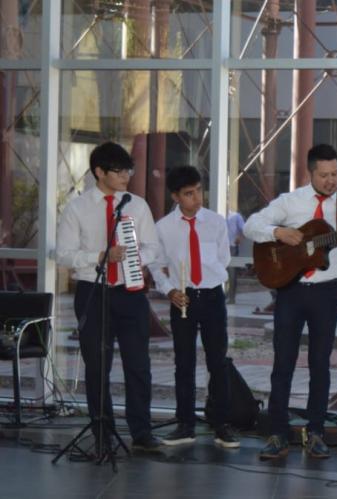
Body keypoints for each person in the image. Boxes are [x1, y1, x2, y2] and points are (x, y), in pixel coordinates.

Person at [243, 144, 337, 461]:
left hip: (327, 292)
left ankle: (315, 433)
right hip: (291, 290)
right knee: (282, 363)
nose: (331, 180)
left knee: (320, 364)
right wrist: (279, 232)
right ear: (310, 173)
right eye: (324, 175)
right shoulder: (291, 201)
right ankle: (277, 434)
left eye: (335, 173)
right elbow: (251, 226)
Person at [55, 141, 164, 453]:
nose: (125, 176)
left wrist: (134, 259)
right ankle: (102, 430)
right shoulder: (77, 207)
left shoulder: (137, 204)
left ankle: (141, 431)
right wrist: (101, 255)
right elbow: (64, 254)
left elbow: (152, 247)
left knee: (138, 364)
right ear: (99, 172)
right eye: (118, 171)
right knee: (97, 365)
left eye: (127, 169)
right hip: (93, 291)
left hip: (130, 293)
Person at [148, 166, 240, 449]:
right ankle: (185, 424)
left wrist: (209, 281)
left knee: (218, 362)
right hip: (182, 298)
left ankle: (221, 424)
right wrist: (170, 290)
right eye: (189, 194)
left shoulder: (215, 222)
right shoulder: (163, 227)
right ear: (176, 197)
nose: (197, 198)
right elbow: (155, 264)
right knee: (183, 363)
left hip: (212, 297)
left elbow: (223, 258)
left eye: (199, 190)